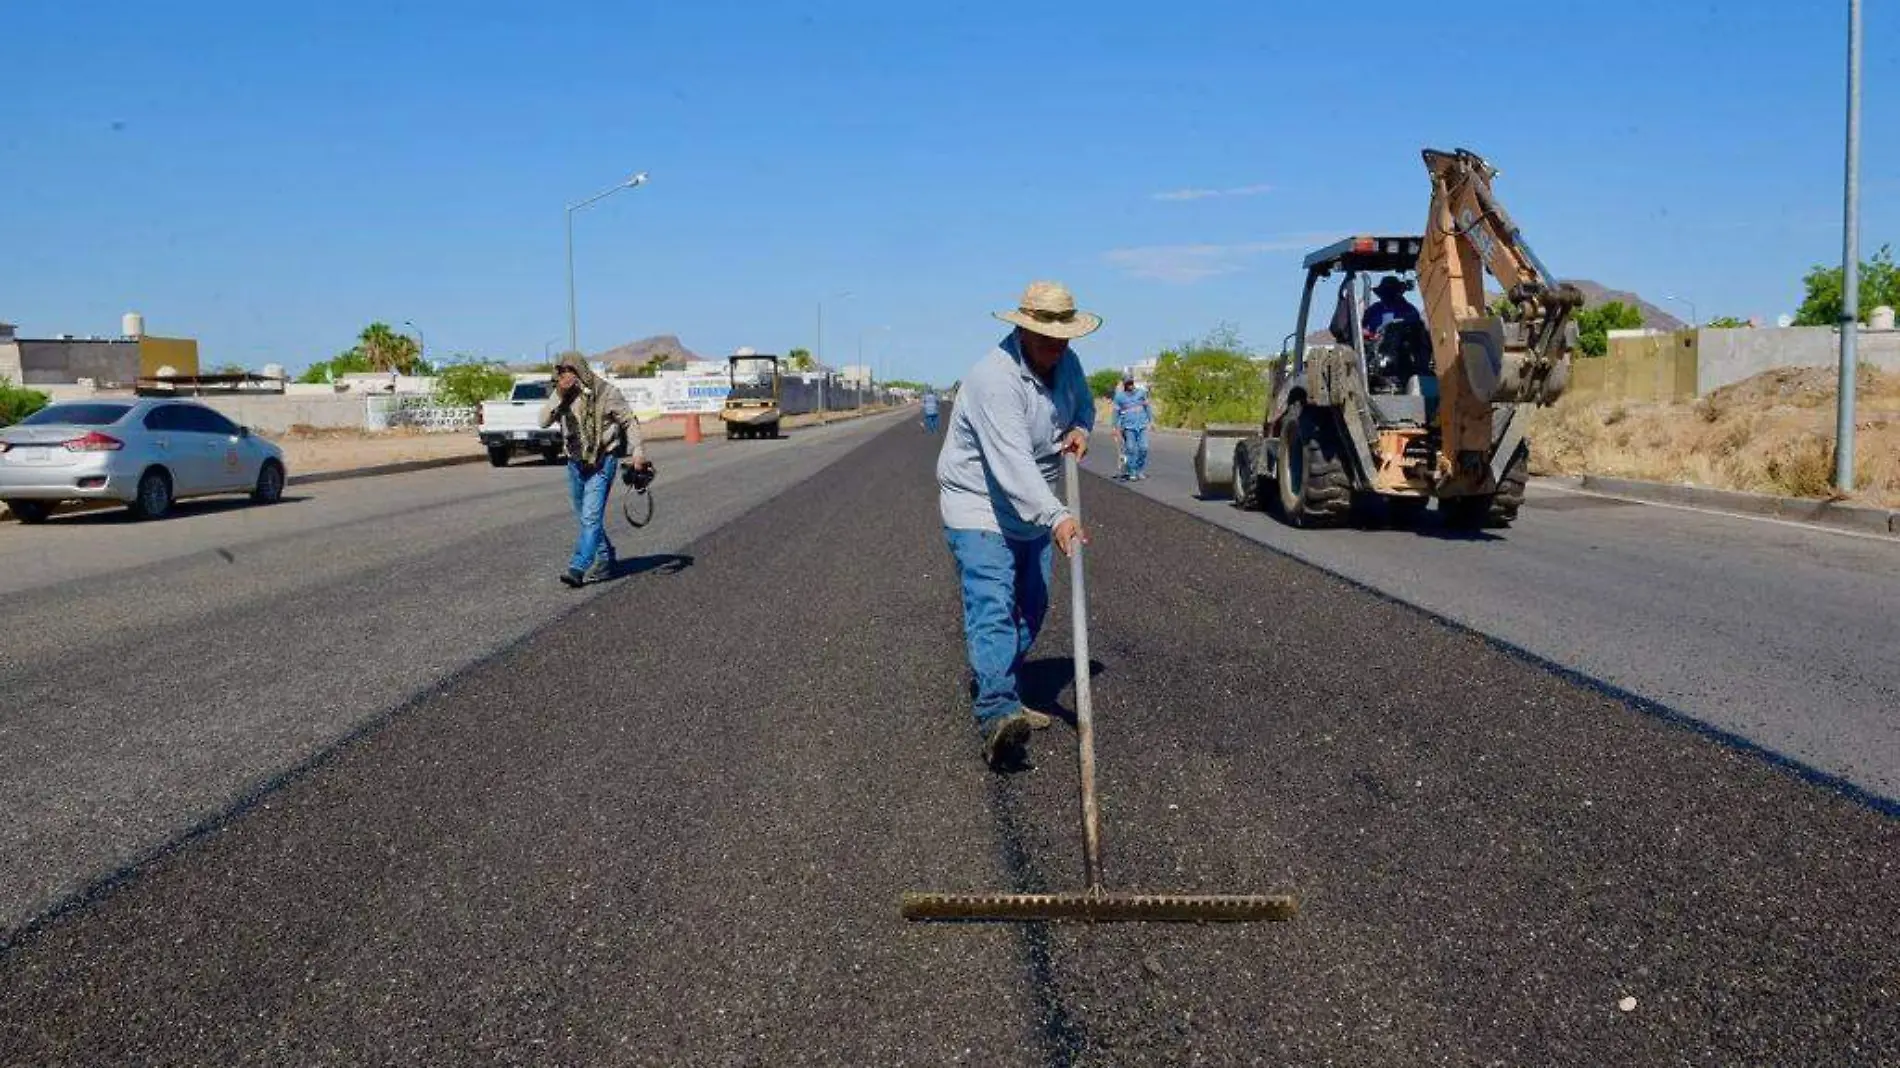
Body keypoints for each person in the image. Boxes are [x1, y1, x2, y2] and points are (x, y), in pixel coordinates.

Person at [936, 280, 1098, 771]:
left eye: (1065, 336)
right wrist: (1058, 515)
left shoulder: (1066, 362)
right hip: (981, 506)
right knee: (993, 604)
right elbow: (1012, 466)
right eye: (1048, 337)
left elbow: (1084, 406)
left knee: (1031, 606)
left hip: (1033, 508)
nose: (1059, 346)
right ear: (1024, 330)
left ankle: (999, 678)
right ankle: (997, 712)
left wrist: (1081, 429)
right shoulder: (994, 380)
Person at [540, 358, 651, 588]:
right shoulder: (561, 394)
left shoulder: (607, 393)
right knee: (585, 516)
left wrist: (637, 452)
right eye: (561, 373)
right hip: (575, 462)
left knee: (591, 517)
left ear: (581, 371)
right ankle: (605, 557)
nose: (566, 377)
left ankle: (578, 567)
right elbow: (542, 421)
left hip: (602, 461)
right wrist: (559, 394)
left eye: (570, 372)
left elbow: (629, 421)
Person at [1109, 371, 1154, 481]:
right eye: (1128, 383)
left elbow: (1147, 407)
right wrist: (1114, 427)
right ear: (1124, 384)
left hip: (1142, 425)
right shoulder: (1119, 397)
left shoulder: (1141, 393)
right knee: (1130, 448)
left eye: (1131, 382)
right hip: (1128, 427)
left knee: (1144, 448)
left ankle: (1140, 470)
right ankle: (1132, 471)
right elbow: (1115, 413)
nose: (1130, 385)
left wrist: (1151, 421)